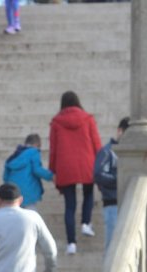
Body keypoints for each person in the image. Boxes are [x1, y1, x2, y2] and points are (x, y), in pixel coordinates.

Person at [48, 91, 102, 255]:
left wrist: (53, 170)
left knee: (69, 206)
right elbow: (96, 143)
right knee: (88, 193)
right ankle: (86, 223)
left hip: (65, 166)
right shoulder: (88, 119)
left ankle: (71, 243)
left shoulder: (56, 123)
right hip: (87, 162)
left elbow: (53, 150)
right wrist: (100, 162)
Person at [93, 117, 129, 250]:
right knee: (112, 246)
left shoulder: (130, 153)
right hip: (112, 204)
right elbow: (98, 174)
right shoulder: (107, 151)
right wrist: (119, 179)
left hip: (128, 203)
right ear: (120, 131)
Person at [2, 134, 52, 209]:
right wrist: (52, 176)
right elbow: (37, 170)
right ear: (37, 144)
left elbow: (5, 177)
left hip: (13, 193)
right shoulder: (34, 152)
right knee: (30, 216)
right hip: (29, 192)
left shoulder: (13, 157)